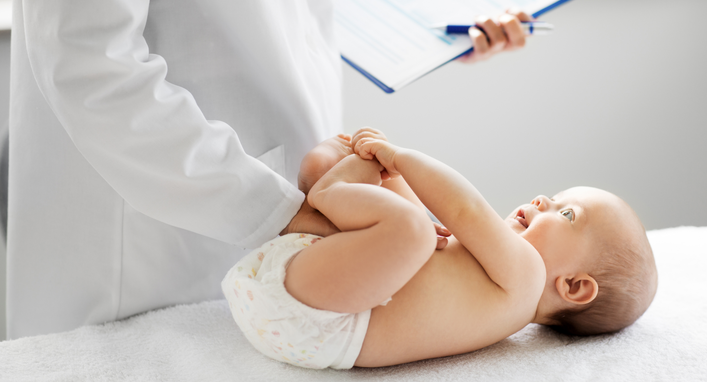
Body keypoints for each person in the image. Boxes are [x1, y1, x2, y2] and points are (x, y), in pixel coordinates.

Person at [6, 0, 535, 338]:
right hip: (144, 250)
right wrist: (278, 212)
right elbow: (89, 65)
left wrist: (428, 29)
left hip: (291, 207)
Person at [222, 128, 659, 369]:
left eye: (567, 215)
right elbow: (446, 227)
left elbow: (464, 208)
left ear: (575, 287)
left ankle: (328, 189)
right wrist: (388, 176)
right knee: (419, 230)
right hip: (323, 291)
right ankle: (326, 181)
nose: (544, 200)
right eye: (556, 197)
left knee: (413, 230)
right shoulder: (488, 285)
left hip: (325, 318)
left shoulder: (526, 278)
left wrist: (401, 158)